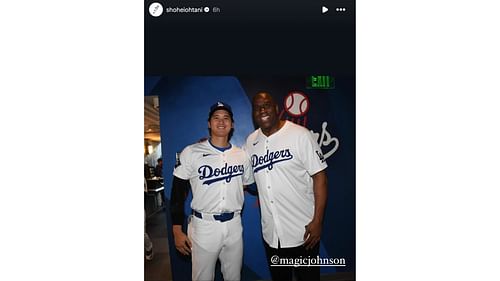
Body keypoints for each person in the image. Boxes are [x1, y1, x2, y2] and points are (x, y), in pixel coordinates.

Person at [244, 92, 328, 281]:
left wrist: (318, 221)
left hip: (303, 232)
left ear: (276, 109)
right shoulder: (250, 142)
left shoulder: (300, 135)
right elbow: (240, 172)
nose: (262, 110)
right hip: (272, 236)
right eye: (257, 107)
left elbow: (320, 177)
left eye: (266, 105)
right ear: (253, 114)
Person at [170, 101, 254, 281]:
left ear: (232, 124)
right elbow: (177, 193)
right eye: (216, 118)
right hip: (204, 225)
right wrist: (177, 230)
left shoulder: (242, 155)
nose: (221, 121)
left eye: (226, 118)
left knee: (234, 277)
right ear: (209, 123)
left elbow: (247, 184)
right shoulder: (192, 152)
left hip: (234, 224)